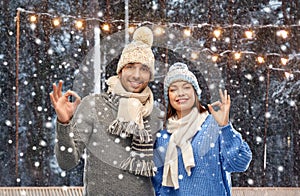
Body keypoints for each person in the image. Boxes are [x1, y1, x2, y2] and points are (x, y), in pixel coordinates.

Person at [50, 26, 163, 195]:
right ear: (120, 70)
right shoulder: (93, 105)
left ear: (150, 75)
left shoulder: (155, 114)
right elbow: (67, 162)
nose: (137, 75)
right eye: (131, 66)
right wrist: (64, 123)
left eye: (144, 69)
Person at [151, 62, 252, 196]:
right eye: (173, 89)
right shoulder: (163, 137)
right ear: (168, 96)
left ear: (195, 92)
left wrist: (225, 127)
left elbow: (239, 163)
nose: (180, 93)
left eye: (186, 87)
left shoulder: (213, 125)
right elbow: (159, 185)